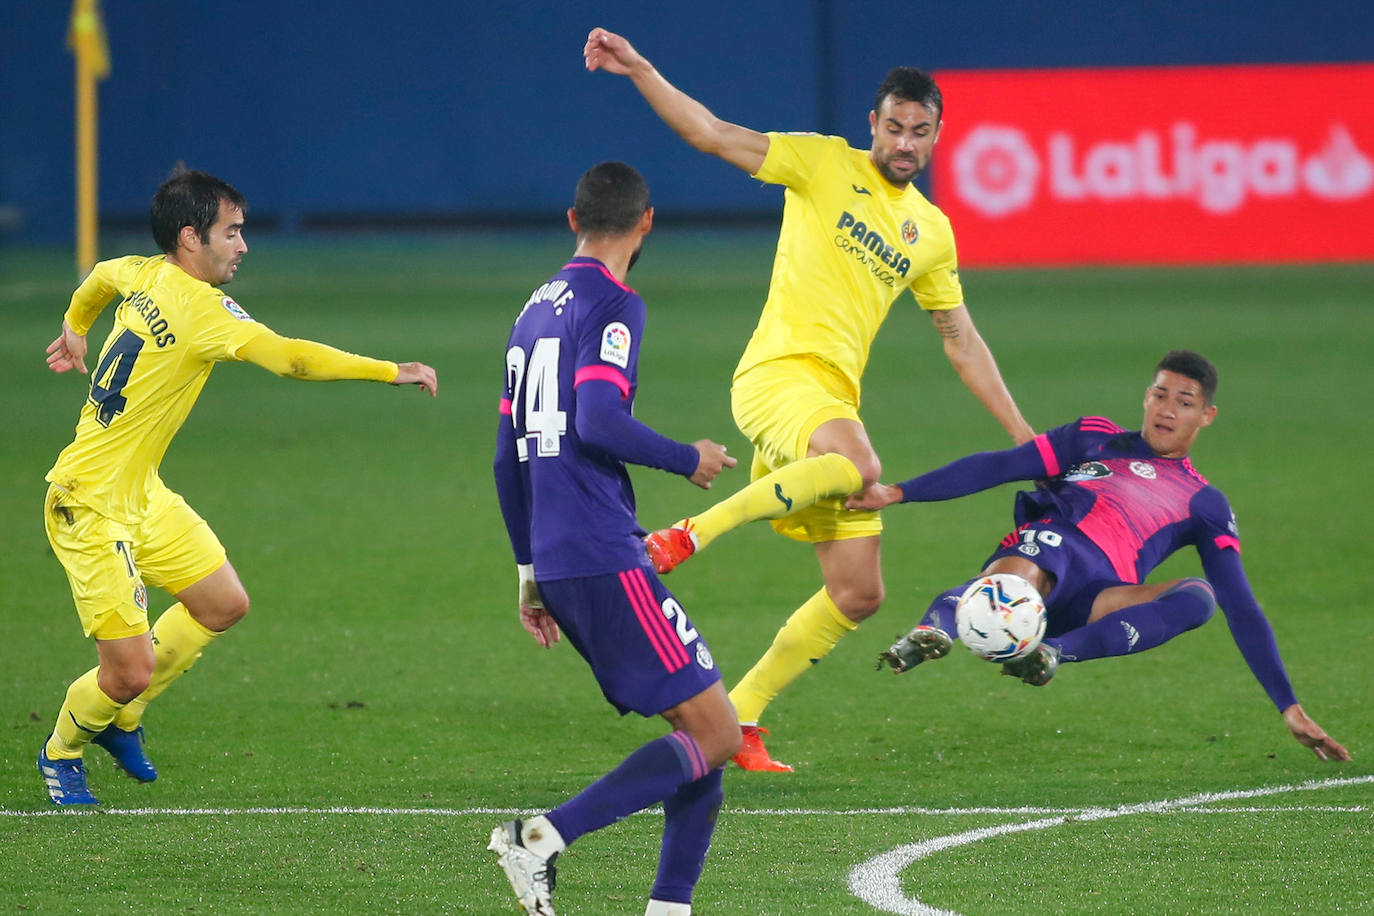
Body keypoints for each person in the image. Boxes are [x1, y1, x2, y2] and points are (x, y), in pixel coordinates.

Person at [585, 28, 1033, 771]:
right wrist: (640, 68)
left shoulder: (933, 234)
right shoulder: (822, 162)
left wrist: (1021, 434)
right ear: (873, 125)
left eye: (920, 132)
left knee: (858, 593)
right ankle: (688, 533)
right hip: (775, 378)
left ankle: (744, 716)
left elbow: (960, 338)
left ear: (936, 136)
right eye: (894, 127)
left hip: (827, 403)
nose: (905, 142)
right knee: (859, 463)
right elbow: (712, 135)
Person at [38, 169, 439, 806]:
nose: (243, 244)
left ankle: (125, 718)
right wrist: (393, 370)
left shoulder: (145, 273)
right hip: (87, 504)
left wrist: (76, 324)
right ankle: (61, 751)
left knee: (222, 604)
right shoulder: (201, 309)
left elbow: (101, 277)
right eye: (232, 231)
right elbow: (291, 358)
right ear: (192, 237)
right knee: (128, 669)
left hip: (140, 492)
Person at [856, 350, 1350, 762]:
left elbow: (1241, 603)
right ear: (1146, 396)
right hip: (1045, 554)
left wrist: (1289, 705)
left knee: (1201, 597)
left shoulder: (1204, 502)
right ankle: (937, 625)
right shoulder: (1093, 437)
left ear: (1207, 415)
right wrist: (897, 492)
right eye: (1160, 394)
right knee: (1048, 547)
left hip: (1099, 598)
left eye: (1185, 401)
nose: (1168, 409)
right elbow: (1003, 466)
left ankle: (1050, 653)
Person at [488, 161, 741, 916]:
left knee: (702, 736)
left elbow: (507, 457)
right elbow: (597, 419)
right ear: (647, 222)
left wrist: (528, 570)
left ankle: (670, 908)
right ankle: (539, 837)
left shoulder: (531, 311)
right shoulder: (614, 303)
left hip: (562, 557)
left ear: (573, 221)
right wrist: (686, 459)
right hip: (602, 550)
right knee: (719, 732)